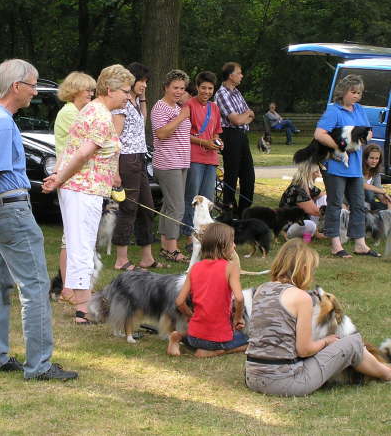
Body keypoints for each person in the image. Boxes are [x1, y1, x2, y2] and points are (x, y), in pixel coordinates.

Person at [0, 59, 77, 381]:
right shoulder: (1, 122)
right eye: (33, 85)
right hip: (11, 212)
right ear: (16, 87)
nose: (35, 92)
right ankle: (39, 366)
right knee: (35, 286)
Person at [42, 64, 133, 323]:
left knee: (78, 244)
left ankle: (84, 300)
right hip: (83, 190)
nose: (129, 96)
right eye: (126, 91)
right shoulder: (101, 116)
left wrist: (58, 176)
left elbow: (70, 149)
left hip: (83, 188)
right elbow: (81, 154)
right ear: (110, 89)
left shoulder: (92, 110)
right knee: (81, 246)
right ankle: (83, 308)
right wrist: (59, 178)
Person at [245, 239, 391, 396]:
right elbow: (304, 350)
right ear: (304, 269)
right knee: (353, 342)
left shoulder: (261, 290)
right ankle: (387, 373)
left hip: (252, 377)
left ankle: (383, 369)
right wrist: (326, 341)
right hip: (283, 382)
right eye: (312, 270)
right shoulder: (302, 298)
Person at [314, 74, 379, 258]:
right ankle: (336, 244)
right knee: (335, 204)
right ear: (343, 92)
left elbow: (368, 132)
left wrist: (363, 138)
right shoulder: (333, 111)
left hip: (355, 167)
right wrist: (341, 146)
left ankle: (360, 243)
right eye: (353, 92)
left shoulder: (359, 109)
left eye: (359, 93)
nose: (356, 96)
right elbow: (319, 134)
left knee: (358, 204)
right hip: (335, 166)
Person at [111, 62, 164, 271]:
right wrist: (114, 171)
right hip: (126, 159)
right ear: (130, 80)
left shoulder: (134, 101)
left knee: (147, 207)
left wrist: (141, 97)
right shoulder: (121, 104)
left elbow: (141, 120)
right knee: (129, 207)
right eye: (141, 81)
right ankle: (121, 259)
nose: (144, 85)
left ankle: (146, 257)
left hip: (139, 158)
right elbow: (114, 138)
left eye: (146, 82)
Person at [167, 222, 247, 357]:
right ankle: (211, 352)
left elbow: (180, 301)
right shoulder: (231, 267)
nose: (234, 246)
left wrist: (190, 316)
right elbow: (239, 298)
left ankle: (180, 337)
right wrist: (238, 318)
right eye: (232, 242)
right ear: (223, 244)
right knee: (250, 341)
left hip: (194, 336)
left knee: (197, 336)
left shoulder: (195, 268)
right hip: (217, 338)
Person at [53, 71, 96, 302]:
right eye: (87, 89)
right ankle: (68, 289)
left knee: (74, 234)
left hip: (77, 177)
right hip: (69, 177)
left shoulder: (79, 112)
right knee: (70, 236)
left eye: (92, 89)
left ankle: (75, 286)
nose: (91, 92)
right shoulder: (69, 113)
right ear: (74, 90)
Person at [150, 69, 192, 263]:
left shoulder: (177, 107)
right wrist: (182, 116)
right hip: (168, 163)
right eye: (175, 87)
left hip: (181, 161)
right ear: (166, 87)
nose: (179, 91)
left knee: (169, 206)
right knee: (177, 207)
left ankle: (166, 246)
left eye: (182, 88)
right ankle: (172, 249)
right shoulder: (161, 107)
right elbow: (161, 134)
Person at [181, 71, 223, 249]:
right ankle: (189, 237)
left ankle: (204, 236)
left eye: (210, 88)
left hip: (211, 157)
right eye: (203, 88)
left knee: (207, 199)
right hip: (194, 156)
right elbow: (184, 133)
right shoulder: (189, 104)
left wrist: (218, 142)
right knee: (192, 197)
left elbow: (216, 131)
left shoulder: (214, 107)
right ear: (197, 87)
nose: (206, 91)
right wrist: (203, 142)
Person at [214, 62, 255, 218]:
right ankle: (229, 210)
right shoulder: (222, 94)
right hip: (230, 135)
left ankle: (244, 211)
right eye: (239, 73)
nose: (241, 75)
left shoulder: (237, 93)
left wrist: (244, 117)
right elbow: (236, 120)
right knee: (232, 174)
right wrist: (245, 116)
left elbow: (251, 115)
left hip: (242, 136)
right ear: (231, 76)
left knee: (248, 175)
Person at [279, 162, 325, 241]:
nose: (319, 175)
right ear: (308, 174)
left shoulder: (308, 186)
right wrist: (333, 213)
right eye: (316, 172)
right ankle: (307, 237)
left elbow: (324, 196)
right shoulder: (297, 190)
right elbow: (315, 212)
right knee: (310, 225)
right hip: (290, 225)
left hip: (301, 221)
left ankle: (311, 235)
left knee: (324, 198)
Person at [362, 144, 391, 210]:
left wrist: (386, 199)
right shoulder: (359, 169)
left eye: (377, 158)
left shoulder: (376, 173)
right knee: (369, 192)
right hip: (353, 201)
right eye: (371, 158)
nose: (374, 161)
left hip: (368, 201)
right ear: (365, 158)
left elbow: (378, 189)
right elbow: (363, 185)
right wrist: (383, 192)